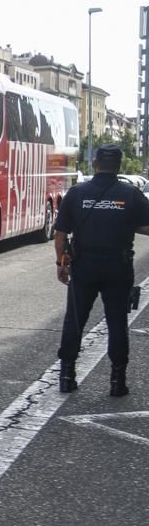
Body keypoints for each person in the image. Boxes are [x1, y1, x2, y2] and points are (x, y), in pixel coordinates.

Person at [54, 144, 149, 396]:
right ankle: (118, 381)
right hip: (118, 267)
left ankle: (66, 376)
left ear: (95, 163)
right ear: (118, 166)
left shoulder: (77, 193)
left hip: (83, 266)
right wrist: (124, 221)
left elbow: (61, 234)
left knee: (74, 321)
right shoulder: (130, 194)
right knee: (117, 322)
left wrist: (61, 264)